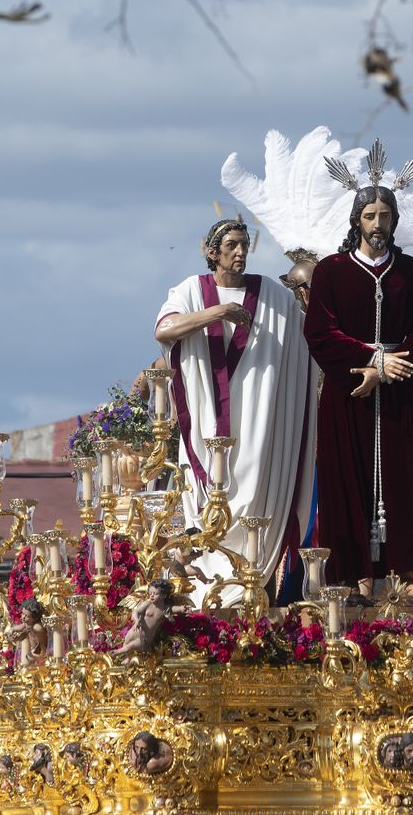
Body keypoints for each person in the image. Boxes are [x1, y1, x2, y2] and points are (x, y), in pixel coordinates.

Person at [305, 147, 413, 598]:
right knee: (346, 482)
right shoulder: (331, 271)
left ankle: (409, 574)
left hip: (398, 394)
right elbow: (320, 333)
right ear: (356, 221)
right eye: (370, 215)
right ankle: (352, 577)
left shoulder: (410, 271)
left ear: (395, 220)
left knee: (410, 479)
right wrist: (369, 363)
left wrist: (388, 369)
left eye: (385, 215)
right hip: (349, 396)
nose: (378, 223)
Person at [155, 220, 318, 604]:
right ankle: (205, 595)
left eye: (245, 244)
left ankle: (251, 591)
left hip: (258, 433)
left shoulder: (273, 296)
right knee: (204, 511)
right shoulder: (191, 290)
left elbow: (310, 334)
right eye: (231, 245)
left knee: (257, 513)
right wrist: (220, 312)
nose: (241, 252)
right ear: (212, 252)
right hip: (205, 428)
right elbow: (165, 329)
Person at [115, 579, 176, 656]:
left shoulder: (165, 609)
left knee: (130, 646)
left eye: (155, 594)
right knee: (126, 650)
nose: (152, 596)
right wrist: (136, 620)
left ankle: (115, 652)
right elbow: (135, 612)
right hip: (133, 632)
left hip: (144, 639)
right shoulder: (147, 604)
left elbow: (175, 612)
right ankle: (123, 657)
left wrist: (179, 611)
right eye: (150, 593)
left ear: (164, 595)